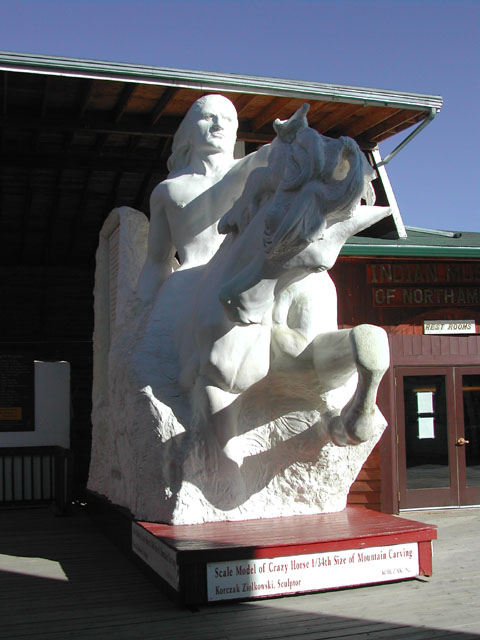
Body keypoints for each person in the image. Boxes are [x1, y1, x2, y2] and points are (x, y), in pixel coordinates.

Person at [136, 94, 306, 303]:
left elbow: (276, 153)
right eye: (208, 117)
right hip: (186, 287)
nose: (218, 125)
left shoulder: (249, 168)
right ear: (188, 131)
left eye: (227, 119)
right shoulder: (168, 190)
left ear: (235, 132)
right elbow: (157, 262)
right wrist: (142, 310)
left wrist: (289, 137)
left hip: (239, 281)